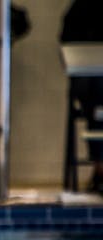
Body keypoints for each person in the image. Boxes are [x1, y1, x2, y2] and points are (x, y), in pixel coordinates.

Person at [62, 0, 103, 194]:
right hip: (91, 83)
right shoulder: (81, 10)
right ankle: (100, 167)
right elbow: (69, 48)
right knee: (97, 108)